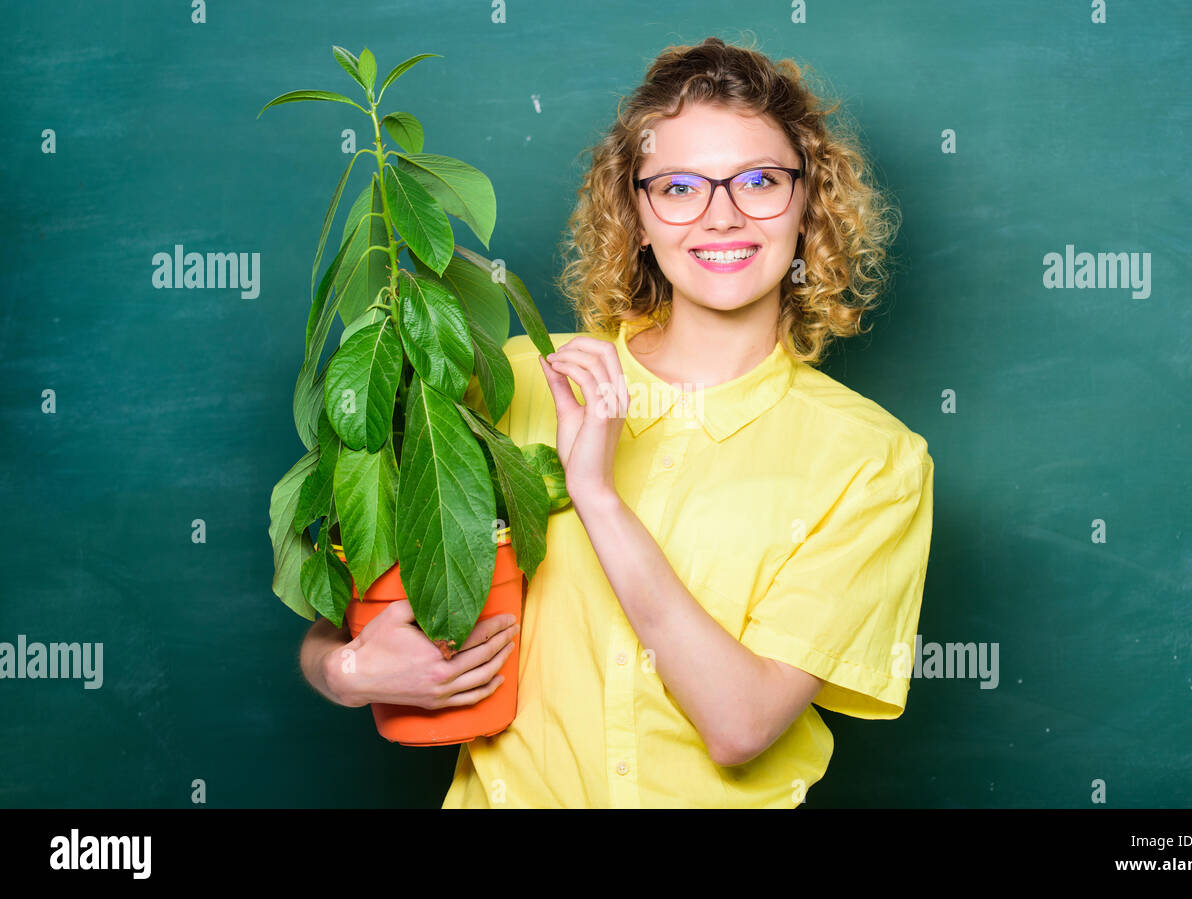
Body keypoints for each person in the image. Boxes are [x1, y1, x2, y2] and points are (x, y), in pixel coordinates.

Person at [300, 35, 934, 808]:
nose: (722, 216)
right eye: (678, 187)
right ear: (634, 214)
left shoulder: (873, 461)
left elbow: (741, 724)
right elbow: (343, 597)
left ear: (809, 205)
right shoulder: (511, 379)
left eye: (761, 181)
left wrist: (595, 494)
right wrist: (347, 671)